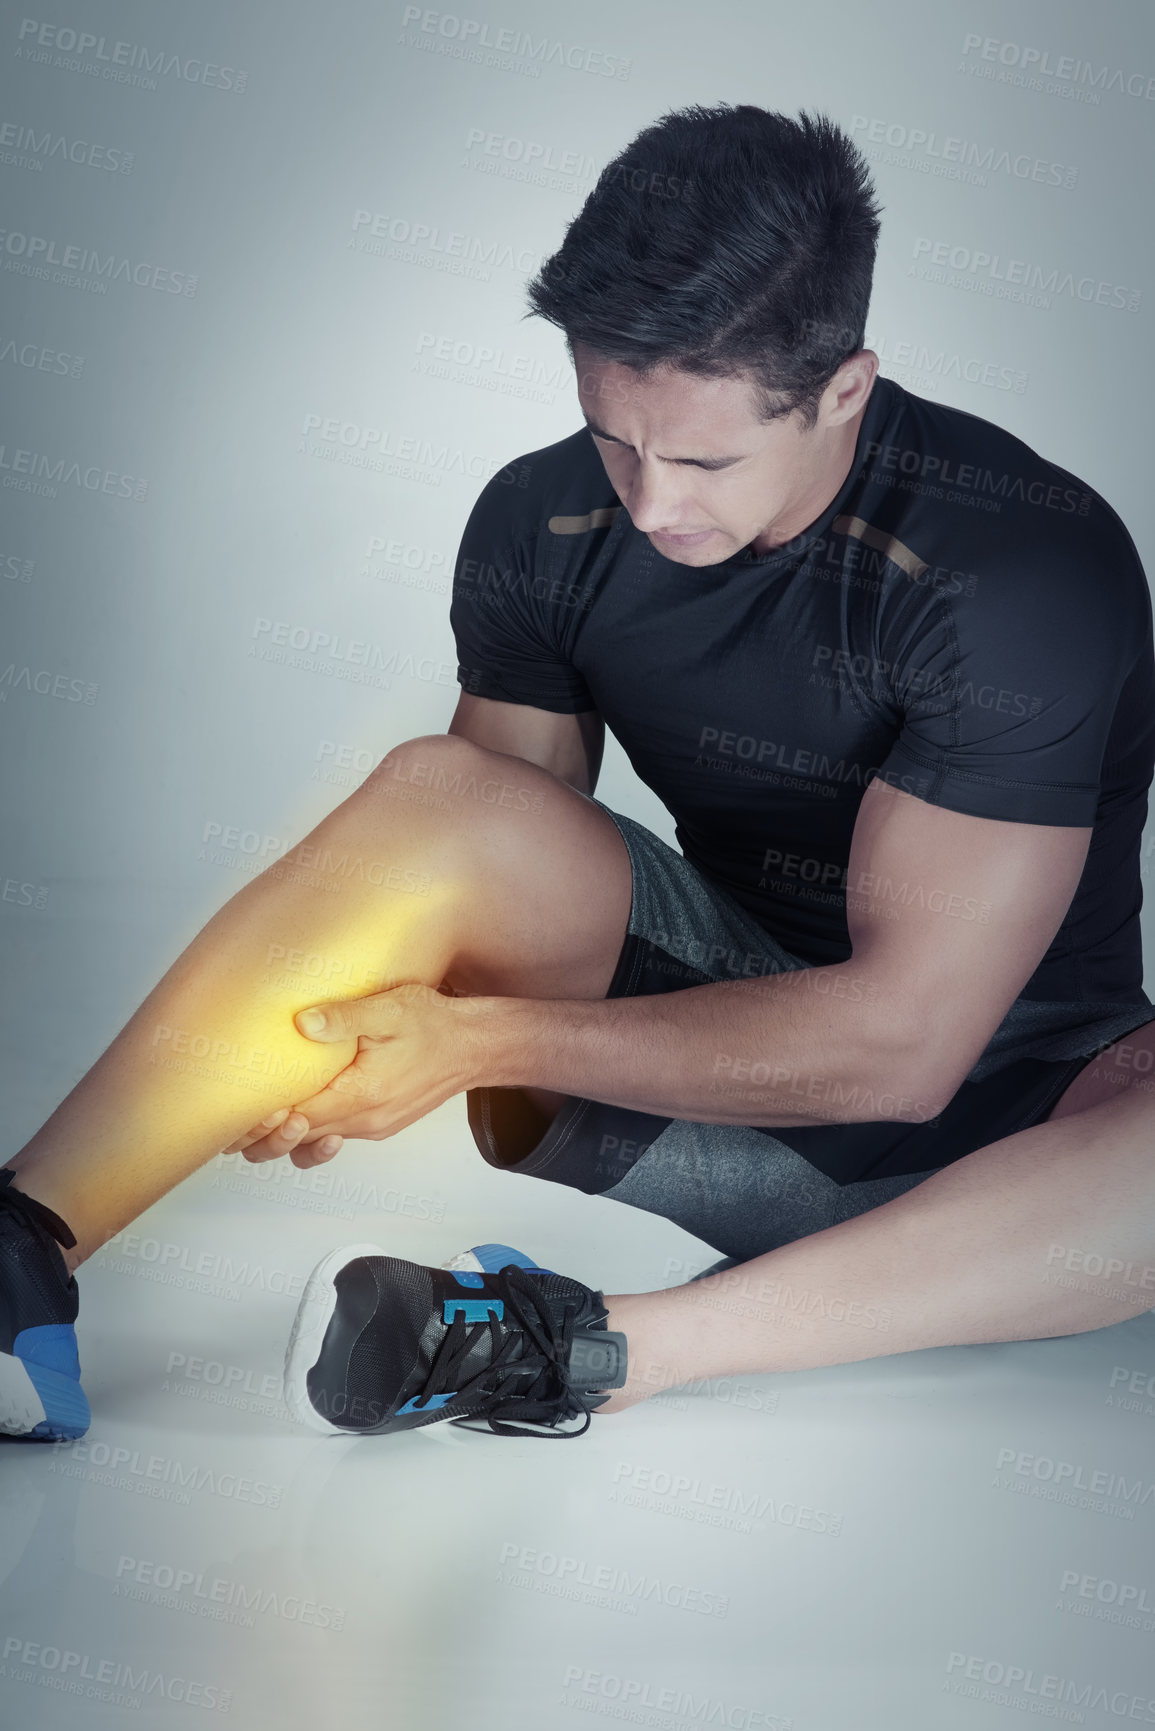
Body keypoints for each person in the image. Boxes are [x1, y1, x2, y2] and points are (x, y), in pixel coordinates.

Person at [4, 104, 1155, 1446]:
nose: (654, 503)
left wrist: (471, 1046)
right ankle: (21, 1250)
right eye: (617, 437)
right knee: (447, 791)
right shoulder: (542, 521)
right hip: (700, 1096)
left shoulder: (1019, 575)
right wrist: (338, 1034)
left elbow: (907, 1053)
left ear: (844, 389)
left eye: (707, 457)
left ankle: (568, 1346)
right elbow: (468, 864)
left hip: (1047, 1145)